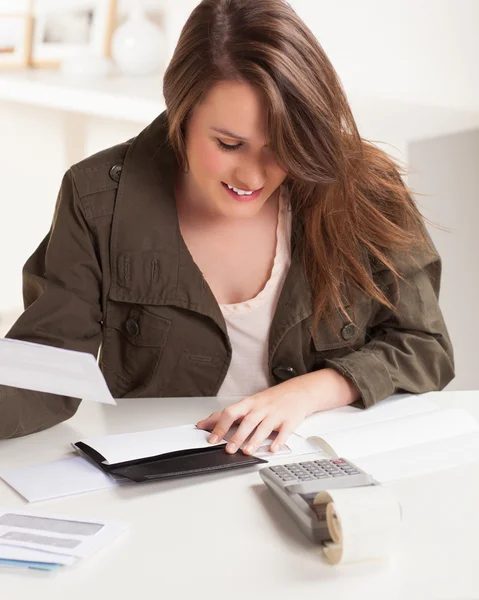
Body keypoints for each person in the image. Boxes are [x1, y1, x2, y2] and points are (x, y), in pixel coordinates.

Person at [0, 0, 454, 450]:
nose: (253, 176)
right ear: (182, 113)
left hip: (320, 472)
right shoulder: (98, 199)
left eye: (282, 146)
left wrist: (311, 390)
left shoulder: (363, 188)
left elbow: (425, 346)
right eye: (229, 144)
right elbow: (45, 371)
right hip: (162, 487)